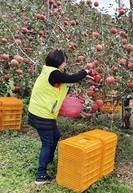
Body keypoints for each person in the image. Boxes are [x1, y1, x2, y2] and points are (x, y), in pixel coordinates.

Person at [28, 48, 89, 185]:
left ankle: (48, 159)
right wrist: (85, 72)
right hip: (42, 114)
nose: (65, 64)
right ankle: (41, 175)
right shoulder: (54, 74)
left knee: (56, 135)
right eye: (65, 62)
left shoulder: (49, 72)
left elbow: (64, 80)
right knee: (47, 143)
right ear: (59, 62)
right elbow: (72, 78)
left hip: (40, 112)